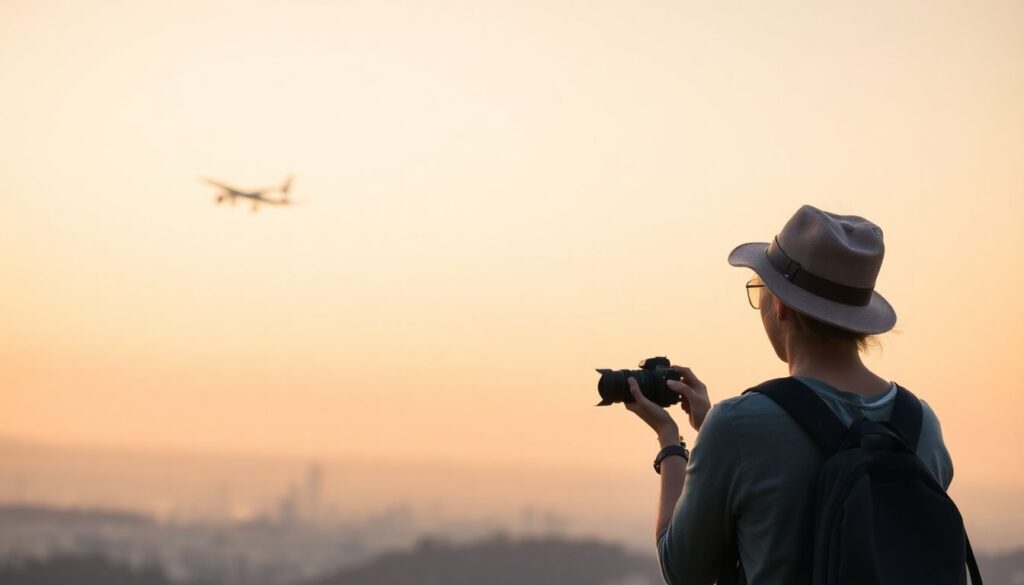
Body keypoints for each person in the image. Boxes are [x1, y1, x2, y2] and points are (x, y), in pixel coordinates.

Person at [624, 204, 953, 584]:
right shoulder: (923, 427)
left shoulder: (736, 428)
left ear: (781, 305)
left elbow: (682, 570)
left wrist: (671, 443)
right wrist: (716, 431)